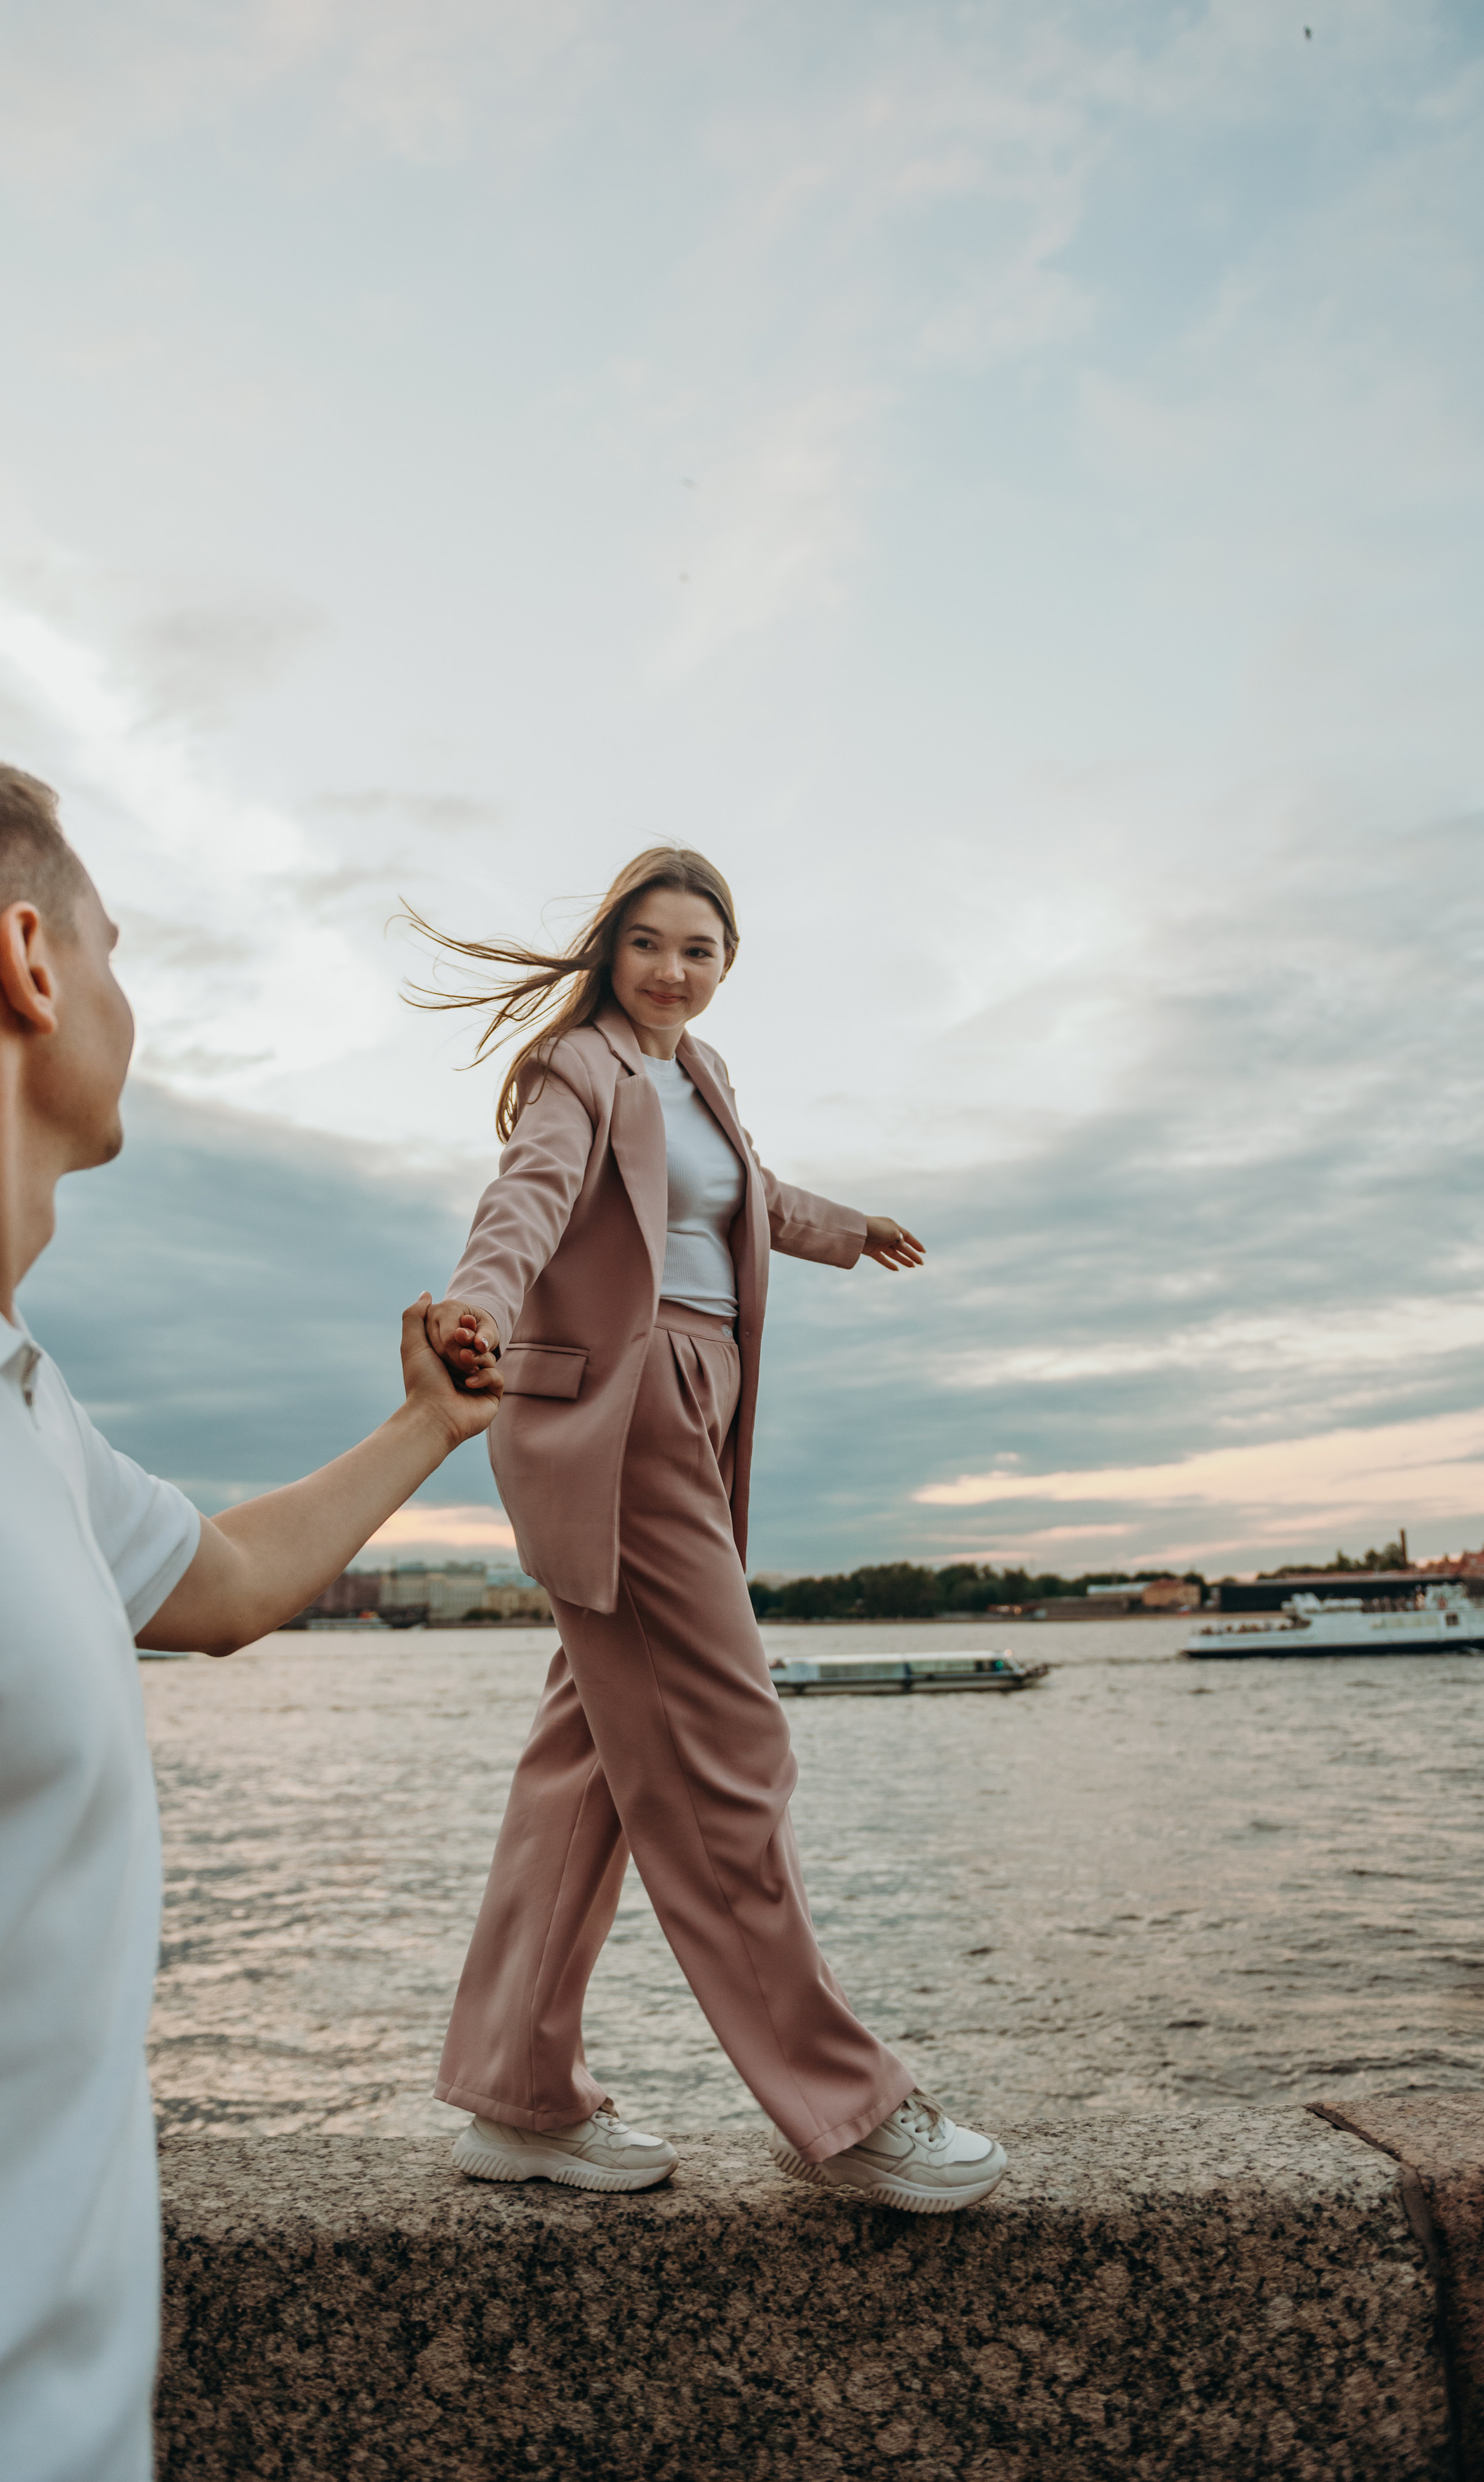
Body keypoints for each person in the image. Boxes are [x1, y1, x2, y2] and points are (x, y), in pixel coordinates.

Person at [0, 734, 500, 2482]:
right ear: (29, 960)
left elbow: (217, 1579)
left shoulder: (1, 1400)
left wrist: (426, 1428)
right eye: (118, 945)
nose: (134, 992)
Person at [411, 846, 1007, 2214]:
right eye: (649, 945)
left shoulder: (701, 1076)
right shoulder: (581, 1072)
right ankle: (846, 2107)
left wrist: (846, 1230)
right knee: (724, 1745)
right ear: (607, 951)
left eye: (701, 951)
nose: (674, 970)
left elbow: (740, 1198)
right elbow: (530, 1201)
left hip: (692, 1406)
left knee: (589, 1764)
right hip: (620, 1418)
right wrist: (476, 1307)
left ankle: (517, 2099)